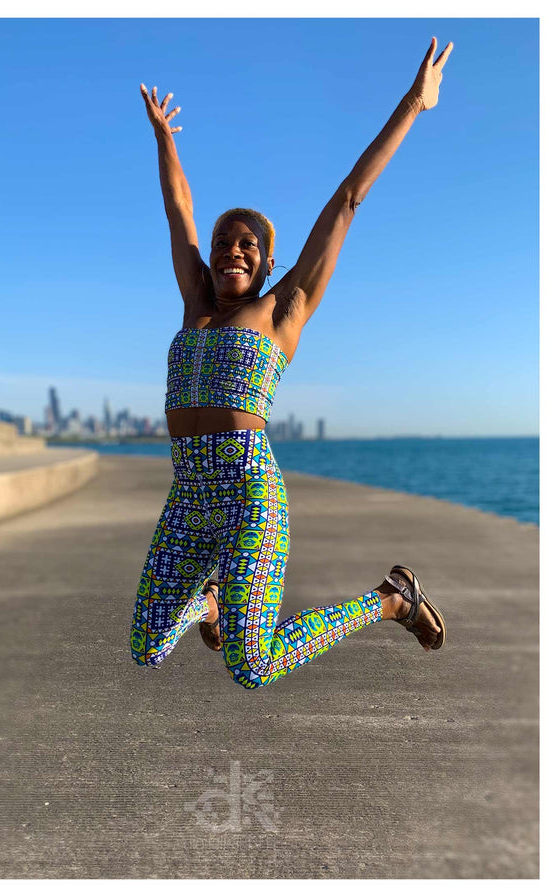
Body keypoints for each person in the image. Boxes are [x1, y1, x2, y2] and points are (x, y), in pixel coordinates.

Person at [130, 37, 453, 689]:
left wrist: (413, 105)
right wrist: (165, 137)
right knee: (147, 646)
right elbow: (179, 213)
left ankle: (391, 599)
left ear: (270, 262)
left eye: (248, 245)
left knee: (252, 666)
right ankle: (212, 602)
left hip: (250, 493)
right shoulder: (196, 302)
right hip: (188, 492)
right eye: (224, 243)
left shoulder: (285, 308)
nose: (232, 252)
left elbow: (347, 200)